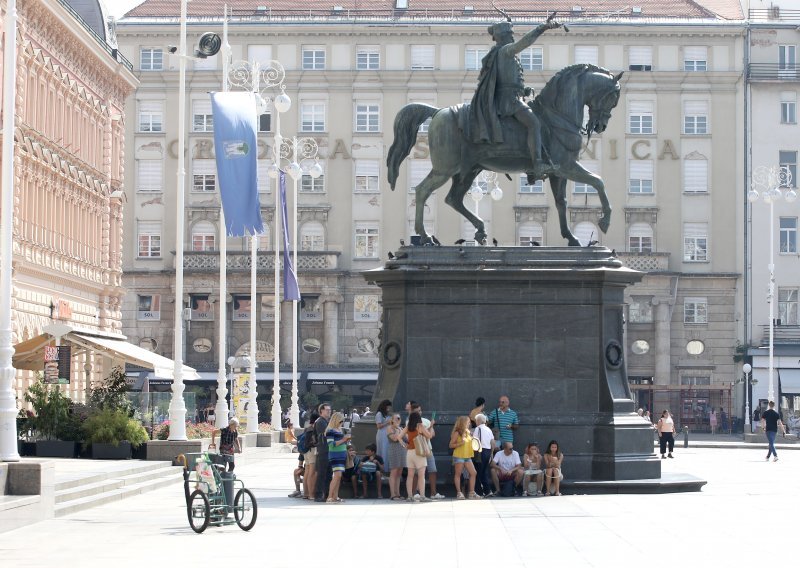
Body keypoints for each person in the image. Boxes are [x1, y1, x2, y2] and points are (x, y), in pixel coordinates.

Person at [467, 14, 563, 179]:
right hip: (508, 102)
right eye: (510, 33)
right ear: (505, 35)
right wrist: (543, 27)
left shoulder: (500, 53)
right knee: (534, 123)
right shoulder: (505, 51)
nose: (513, 36)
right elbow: (525, 42)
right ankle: (538, 165)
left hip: (512, 96)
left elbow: (506, 80)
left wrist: (522, 90)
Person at [406, 401, 445, 499]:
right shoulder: (410, 422)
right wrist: (429, 427)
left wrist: (429, 428)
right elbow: (427, 435)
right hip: (417, 450)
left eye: (420, 410)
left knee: (432, 470)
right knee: (416, 473)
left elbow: (432, 434)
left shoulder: (425, 421)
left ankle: (433, 493)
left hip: (427, 449)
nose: (419, 412)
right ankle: (416, 493)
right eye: (417, 411)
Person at [400, 411, 434, 502]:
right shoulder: (420, 426)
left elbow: (399, 437)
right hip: (419, 452)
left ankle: (410, 496)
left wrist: (404, 445)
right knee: (421, 475)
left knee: (410, 476)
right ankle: (422, 496)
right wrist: (431, 426)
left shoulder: (408, 427)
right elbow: (429, 436)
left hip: (409, 453)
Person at [449, 416, 482, 500]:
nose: (469, 423)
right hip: (459, 456)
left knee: (473, 473)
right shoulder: (457, 432)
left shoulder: (468, 432)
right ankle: (459, 493)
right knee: (458, 474)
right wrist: (460, 443)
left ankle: (471, 492)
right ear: (463, 423)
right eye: (468, 422)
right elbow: (451, 445)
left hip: (468, 456)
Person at [325, 411, 351, 503]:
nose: (342, 423)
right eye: (340, 421)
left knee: (338, 476)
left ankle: (335, 496)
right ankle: (329, 496)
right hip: (335, 455)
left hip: (341, 454)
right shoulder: (330, 431)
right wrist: (344, 439)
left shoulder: (339, 429)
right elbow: (331, 444)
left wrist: (346, 441)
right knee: (337, 475)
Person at [472, 413, 495, 497]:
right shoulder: (488, 429)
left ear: (479, 421)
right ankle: (488, 491)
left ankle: (479, 492)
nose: (475, 422)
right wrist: (491, 454)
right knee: (484, 472)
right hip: (488, 451)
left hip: (479, 452)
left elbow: (475, 441)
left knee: (478, 472)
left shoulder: (478, 429)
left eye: (476, 420)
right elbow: (493, 442)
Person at [313, 403, 332, 502]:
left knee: (328, 474)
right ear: (321, 411)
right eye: (327, 410)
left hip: (326, 450)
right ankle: (319, 495)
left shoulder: (325, 421)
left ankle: (326, 494)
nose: (329, 411)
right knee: (322, 474)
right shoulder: (321, 422)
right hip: (323, 451)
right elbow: (327, 434)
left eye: (330, 410)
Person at [386, 413, 407, 500]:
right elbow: (395, 438)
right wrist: (398, 430)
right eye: (396, 418)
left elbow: (406, 439)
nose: (398, 420)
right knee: (394, 472)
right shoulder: (389, 428)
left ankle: (397, 493)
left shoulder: (401, 428)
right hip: (394, 450)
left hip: (402, 451)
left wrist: (402, 430)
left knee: (399, 473)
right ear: (392, 420)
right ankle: (392, 494)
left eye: (399, 418)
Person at [301, 411, 319, 500]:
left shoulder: (307, 428)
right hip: (312, 451)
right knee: (311, 473)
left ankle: (306, 493)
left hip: (306, 452)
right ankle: (311, 494)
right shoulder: (313, 428)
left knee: (307, 473)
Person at [374, 399, 392, 476]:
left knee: (387, 450)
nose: (389, 408)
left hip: (387, 433)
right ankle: (382, 469)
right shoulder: (379, 414)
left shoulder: (387, 414)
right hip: (382, 434)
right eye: (388, 407)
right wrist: (387, 422)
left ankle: (387, 468)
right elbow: (379, 426)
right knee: (382, 450)